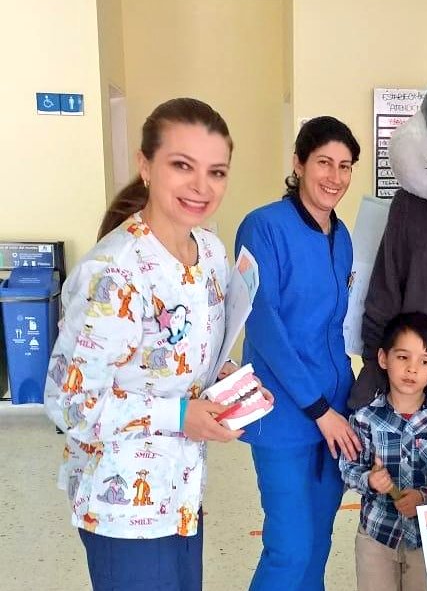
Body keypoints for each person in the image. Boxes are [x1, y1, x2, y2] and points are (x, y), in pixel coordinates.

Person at [45, 97, 270, 591]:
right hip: (122, 508)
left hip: (183, 493)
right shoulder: (113, 273)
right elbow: (71, 404)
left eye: (216, 172)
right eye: (182, 165)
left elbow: (195, 352)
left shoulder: (209, 253)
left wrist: (232, 380)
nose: (201, 186)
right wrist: (179, 416)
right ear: (145, 166)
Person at [235, 116, 363, 591]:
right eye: (324, 162)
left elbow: (335, 327)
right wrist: (318, 409)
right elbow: (263, 322)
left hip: (336, 412)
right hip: (284, 412)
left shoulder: (342, 237)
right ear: (298, 163)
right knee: (289, 548)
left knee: (318, 542)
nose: (335, 177)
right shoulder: (262, 227)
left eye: (345, 166)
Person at [340, 312, 427, 591]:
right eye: (402, 357)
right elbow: (348, 469)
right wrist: (370, 480)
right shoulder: (364, 418)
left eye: (425, 361)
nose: (412, 369)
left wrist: (424, 496)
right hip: (377, 536)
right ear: (383, 358)